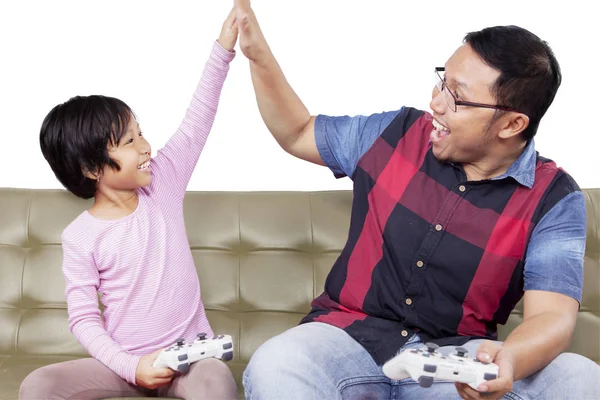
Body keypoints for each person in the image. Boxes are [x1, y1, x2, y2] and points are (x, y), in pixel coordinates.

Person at [233, 1, 600, 399]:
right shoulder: (398, 132)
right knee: (278, 361)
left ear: (512, 124)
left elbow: (551, 316)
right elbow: (299, 132)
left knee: (577, 375)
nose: (436, 102)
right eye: (443, 80)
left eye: (456, 96)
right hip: (347, 341)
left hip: (451, 365)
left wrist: (510, 359)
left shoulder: (554, 199)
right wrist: (256, 53)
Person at [19, 6, 240, 400]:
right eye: (129, 142)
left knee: (217, 381)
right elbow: (85, 319)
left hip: (189, 360)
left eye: (142, 134)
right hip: (124, 366)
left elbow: (198, 118)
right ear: (91, 168)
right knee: (38, 385)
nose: (146, 148)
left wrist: (224, 46)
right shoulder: (80, 237)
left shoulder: (164, 183)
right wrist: (131, 366)